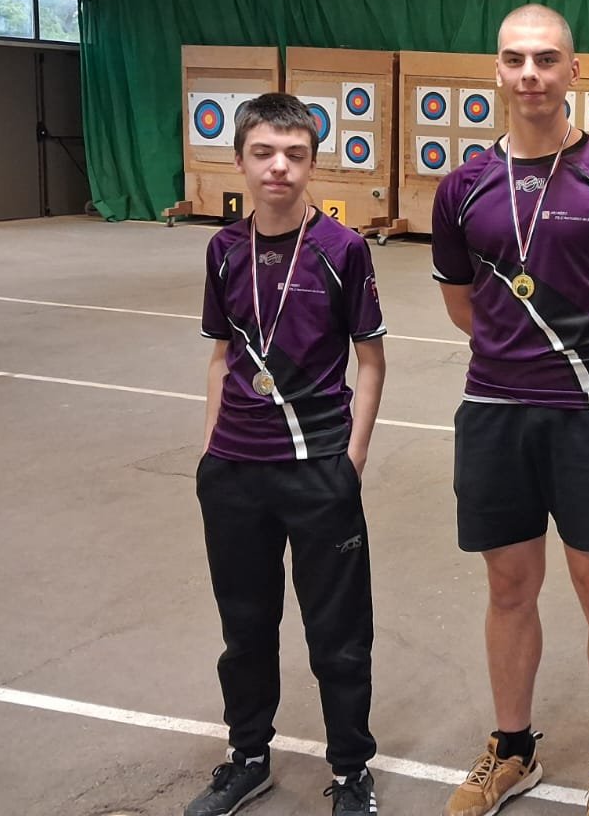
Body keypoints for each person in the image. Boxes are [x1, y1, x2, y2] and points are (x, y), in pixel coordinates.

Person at [431, 5, 589, 816]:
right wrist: (516, 359)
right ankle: (513, 749)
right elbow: (462, 304)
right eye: (515, 59)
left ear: (575, 70)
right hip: (494, 410)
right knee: (509, 585)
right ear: (497, 71)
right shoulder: (462, 187)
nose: (529, 73)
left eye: (545, 58)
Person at [189, 91, 387, 816]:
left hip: (318, 469)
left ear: (312, 163)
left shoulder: (342, 249)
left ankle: (352, 771)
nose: (279, 167)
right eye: (264, 153)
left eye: (295, 155)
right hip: (234, 473)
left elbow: (371, 361)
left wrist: (350, 462)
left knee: (339, 634)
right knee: (244, 628)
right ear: (240, 160)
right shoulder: (223, 249)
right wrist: (212, 452)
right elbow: (221, 357)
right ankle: (248, 757)